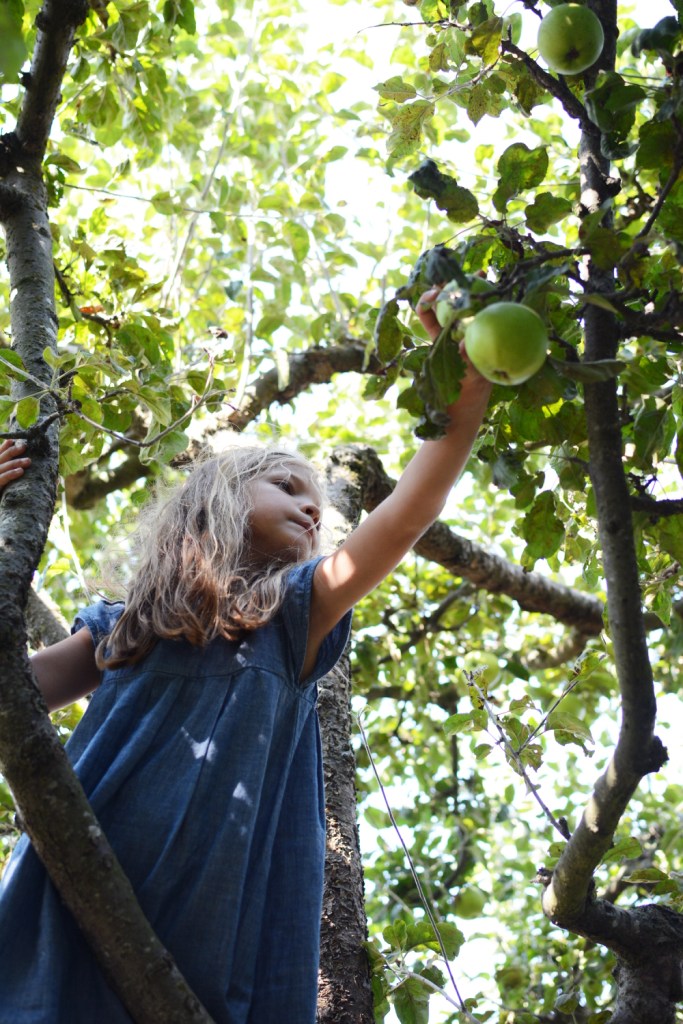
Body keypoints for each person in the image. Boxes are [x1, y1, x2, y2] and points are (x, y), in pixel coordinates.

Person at [0, 293, 492, 1023]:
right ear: (219, 502)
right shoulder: (125, 625)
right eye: (286, 487)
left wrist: (464, 398)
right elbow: (17, 695)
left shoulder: (293, 615)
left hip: (204, 934)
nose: (310, 510)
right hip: (74, 887)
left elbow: (405, 517)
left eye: (317, 508)